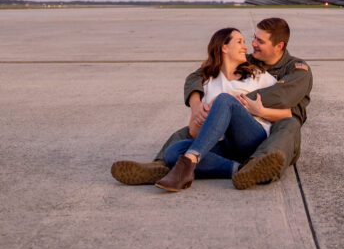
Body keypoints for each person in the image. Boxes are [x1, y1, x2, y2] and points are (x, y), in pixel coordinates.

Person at [110, 17, 312, 190]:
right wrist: (197, 107)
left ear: (279, 46)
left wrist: (235, 102)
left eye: (260, 41)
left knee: (289, 124)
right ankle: (165, 166)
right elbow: (197, 76)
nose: (252, 45)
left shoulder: (294, 69)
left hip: (277, 128)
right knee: (182, 140)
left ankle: (261, 165)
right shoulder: (248, 61)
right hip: (235, 134)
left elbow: (283, 99)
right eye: (252, 39)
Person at [155, 26, 291, 192]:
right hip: (224, 146)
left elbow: (287, 113)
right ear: (224, 47)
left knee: (225, 100)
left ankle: (188, 164)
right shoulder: (208, 82)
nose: (246, 47)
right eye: (239, 42)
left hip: (252, 138)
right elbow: (194, 131)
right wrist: (201, 118)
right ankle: (241, 169)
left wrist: (260, 111)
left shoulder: (257, 75)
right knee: (173, 152)